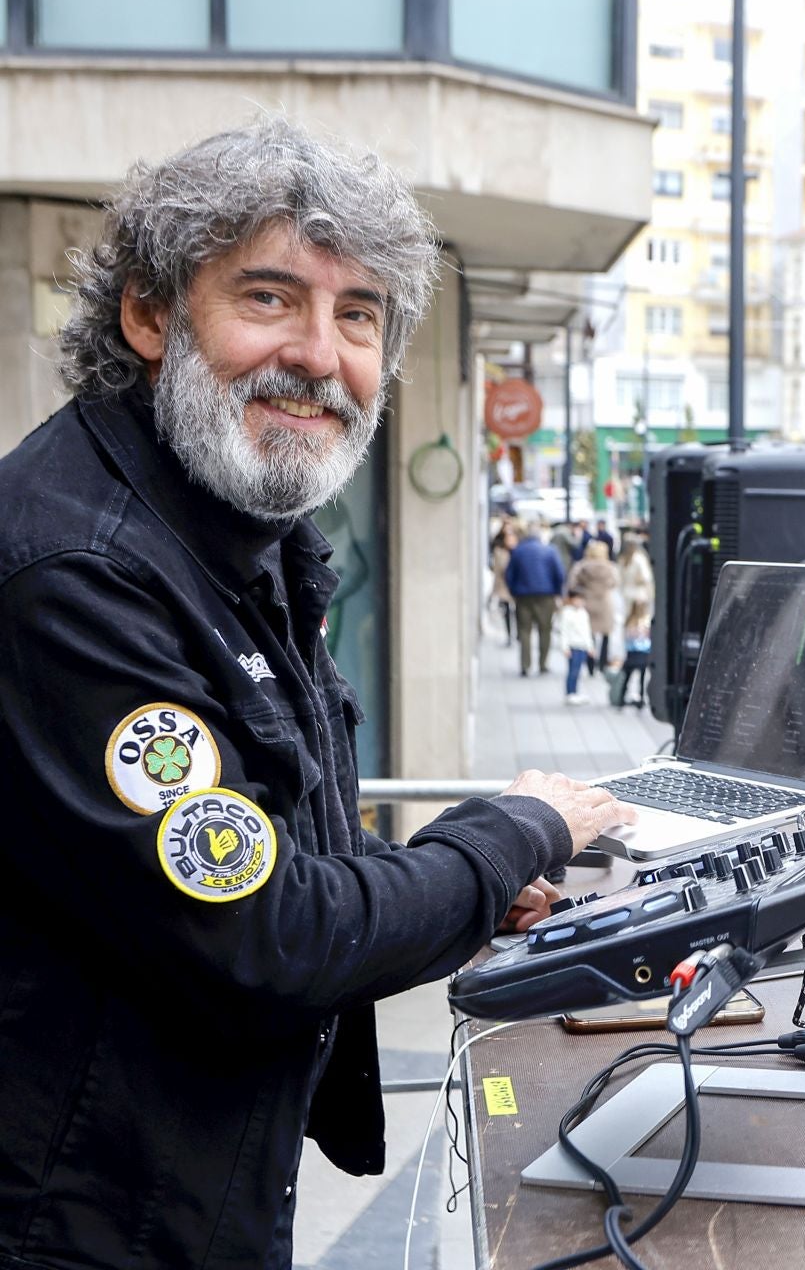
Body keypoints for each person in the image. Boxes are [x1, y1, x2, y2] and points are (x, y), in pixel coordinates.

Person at [0, 118, 641, 1266]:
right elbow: (261, 933)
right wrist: (510, 832)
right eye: (268, 297)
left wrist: (471, 883)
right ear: (149, 315)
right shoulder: (78, 572)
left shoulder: (242, 540)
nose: (318, 352)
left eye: (358, 316)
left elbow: (264, 851)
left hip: (196, 1189)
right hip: (87, 1227)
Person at [505, 520, 567, 675]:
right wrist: (558, 592)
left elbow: (509, 574)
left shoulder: (519, 550)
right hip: (545, 596)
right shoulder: (549, 551)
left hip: (523, 595)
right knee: (545, 630)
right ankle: (543, 664)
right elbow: (559, 574)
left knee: (524, 630)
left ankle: (525, 665)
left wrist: (514, 591)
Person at [568, 538, 620, 674]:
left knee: (588, 634)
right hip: (604, 603)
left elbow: (572, 584)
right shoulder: (610, 567)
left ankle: (590, 665)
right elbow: (615, 583)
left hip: (587, 602)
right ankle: (602, 664)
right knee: (605, 635)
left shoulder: (580, 567)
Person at [556, 592, 596, 706]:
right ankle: (570, 693)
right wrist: (565, 647)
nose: (580, 602)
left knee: (578, 671)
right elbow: (564, 632)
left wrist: (590, 647)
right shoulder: (567, 613)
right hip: (573, 646)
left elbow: (587, 632)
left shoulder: (584, 613)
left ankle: (574, 692)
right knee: (572, 671)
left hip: (583, 646)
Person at [615, 600, 651, 708]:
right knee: (641, 679)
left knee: (627, 677)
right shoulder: (645, 622)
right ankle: (639, 699)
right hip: (642, 652)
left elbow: (626, 638)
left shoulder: (630, 621)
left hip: (631, 653)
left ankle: (622, 698)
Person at [489, 519, 518, 646]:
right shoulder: (499, 550)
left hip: (516, 585)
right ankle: (509, 634)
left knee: (517, 611)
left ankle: (517, 634)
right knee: (506, 610)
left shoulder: (517, 551)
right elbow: (499, 567)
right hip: (503, 584)